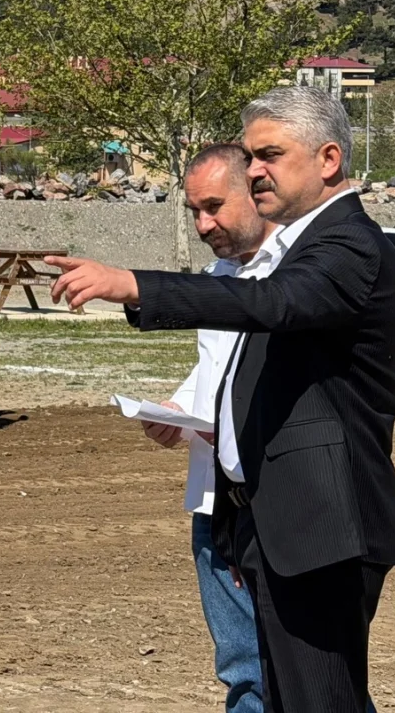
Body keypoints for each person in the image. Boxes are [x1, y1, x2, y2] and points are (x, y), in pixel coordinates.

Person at [45, 84, 395, 713]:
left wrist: (134, 286)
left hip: (322, 527)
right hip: (271, 523)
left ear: (327, 160)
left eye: (269, 153)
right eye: (250, 154)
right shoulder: (303, 247)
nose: (255, 169)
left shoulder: (347, 245)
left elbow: (271, 304)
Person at [142, 143, 273, 713]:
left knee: (306, 674)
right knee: (243, 668)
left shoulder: (290, 279)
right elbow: (220, 366)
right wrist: (181, 406)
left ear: (257, 192)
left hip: (273, 507)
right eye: (195, 210)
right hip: (214, 499)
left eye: (214, 206)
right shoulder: (220, 273)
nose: (203, 224)